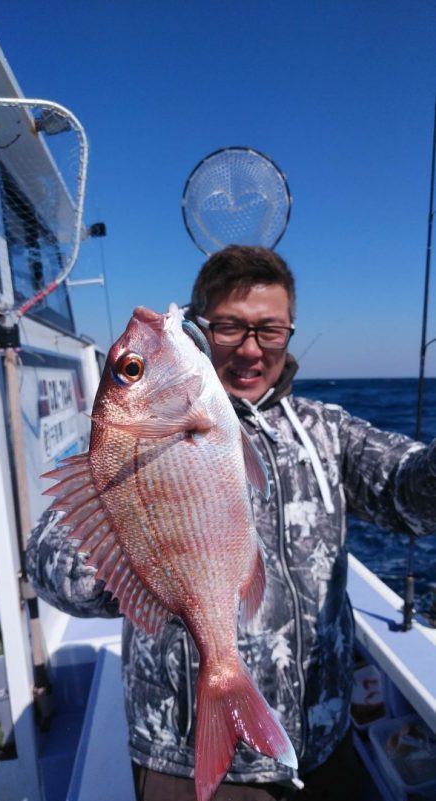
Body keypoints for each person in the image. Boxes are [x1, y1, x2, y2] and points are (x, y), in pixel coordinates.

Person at [26, 245, 436, 801]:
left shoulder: (327, 430)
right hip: (183, 753)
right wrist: (141, 554)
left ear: (290, 333)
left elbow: (409, 492)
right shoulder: (122, 443)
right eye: (229, 328)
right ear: (198, 326)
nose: (250, 350)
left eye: (270, 331)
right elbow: (47, 563)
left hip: (324, 740)